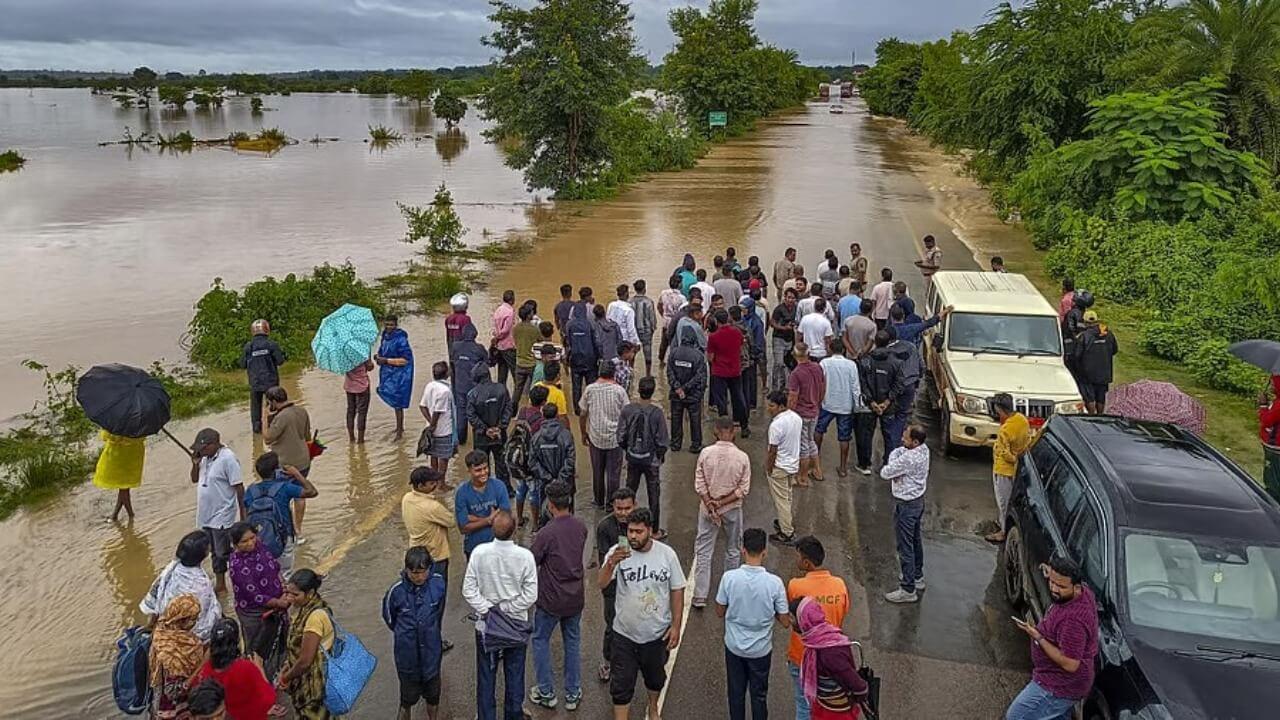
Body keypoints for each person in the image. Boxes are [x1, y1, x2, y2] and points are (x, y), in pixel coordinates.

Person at [599, 507, 685, 720]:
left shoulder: (667, 555)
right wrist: (611, 563)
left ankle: (653, 708)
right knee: (621, 685)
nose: (633, 536)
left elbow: (677, 589)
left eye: (639, 531)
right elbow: (601, 583)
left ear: (650, 531)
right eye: (630, 531)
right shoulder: (618, 552)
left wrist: (676, 625)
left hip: (656, 635)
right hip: (624, 635)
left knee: (655, 679)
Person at [461, 511, 537, 720]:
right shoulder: (525, 557)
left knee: (486, 675)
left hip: (486, 626)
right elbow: (530, 595)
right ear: (514, 531)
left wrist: (488, 610)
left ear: (492, 529)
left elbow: (468, 590)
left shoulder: (479, 553)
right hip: (516, 626)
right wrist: (506, 609)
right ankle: (513, 715)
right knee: (515, 674)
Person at [1005, 555, 1099, 720]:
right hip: (1066, 683)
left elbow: (1070, 664)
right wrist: (1050, 572)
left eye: (1061, 586)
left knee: (1016, 716)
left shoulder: (1073, 621)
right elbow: (1060, 579)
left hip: (1059, 685)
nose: (1054, 589)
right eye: (1052, 582)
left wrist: (1038, 637)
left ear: (1076, 588)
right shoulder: (1083, 591)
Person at [716, 528, 790, 720]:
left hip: (734, 647)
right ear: (764, 552)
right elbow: (785, 621)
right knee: (759, 696)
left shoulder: (729, 578)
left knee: (735, 694)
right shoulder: (775, 583)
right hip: (761, 651)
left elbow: (719, 611)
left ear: (743, 550)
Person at [528, 483, 588, 710]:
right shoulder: (581, 527)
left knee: (540, 640)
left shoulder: (546, 533)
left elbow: (533, 559)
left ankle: (546, 691)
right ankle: (572, 693)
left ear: (550, 505)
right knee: (572, 641)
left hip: (551, 599)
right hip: (575, 597)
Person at [785, 537, 851, 720]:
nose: (796, 560)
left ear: (807, 562)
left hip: (801, 656)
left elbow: (790, 616)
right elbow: (843, 612)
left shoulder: (795, 586)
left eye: (798, 556)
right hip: (831, 657)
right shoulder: (839, 585)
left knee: (803, 705)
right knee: (827, 705)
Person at [382, 546, 447, 720]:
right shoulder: (395, 592)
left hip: (431, 655)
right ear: (406, 570)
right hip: (407, 657)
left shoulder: (438, 584)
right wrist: (406, 632)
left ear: (429, 568)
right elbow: (389, 618)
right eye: (413, 573)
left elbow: (438, 611)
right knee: (407, 699)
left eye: (422, 572)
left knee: (433, 696)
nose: (418, 577)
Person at [693, 417, 752, 606]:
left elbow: (700, 483)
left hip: (707, 509)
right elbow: (743, 489)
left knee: (703, 550)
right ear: (733, 432)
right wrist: (722, 503)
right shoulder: (742, 457)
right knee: (733, 550)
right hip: (731, 509)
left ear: (716, 431)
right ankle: (728, 593)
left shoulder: (706, 453)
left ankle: (700, 595)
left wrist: (710, 503)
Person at [402, 466, 455, 651]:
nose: (435, 485)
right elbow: (451, 521)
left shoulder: (407, 499)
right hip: (435, 558)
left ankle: (421, 638)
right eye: (431, 483)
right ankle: (434, 641)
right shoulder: (431, 506)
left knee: (418, 603)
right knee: (436, 603)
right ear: (421, 485)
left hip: (415, 556)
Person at [794, 596, 869, 719]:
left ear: (804, 621)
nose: (791, 623)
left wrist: (861, 692)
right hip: (826, 705)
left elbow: (853, 680)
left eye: (793, 619)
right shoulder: (821, 638)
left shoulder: (828, 652)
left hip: (835, 712)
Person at [189, 428, 244, 593]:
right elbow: (194, 479)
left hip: (222, 514)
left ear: (214, 444)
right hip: (205, 514)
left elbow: (239, 487)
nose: (200, 451)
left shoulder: (228, 459)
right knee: (213, 551)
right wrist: (195, 464)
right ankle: (221, 584)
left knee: (222, 552)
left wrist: (243, 514)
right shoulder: (204, 459)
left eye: (203, 448)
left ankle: (241, 577)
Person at [142, 532, 223, 642]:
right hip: (190, 635)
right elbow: (204, 615)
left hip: (168, 625)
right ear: (203, 553)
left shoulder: (172, 568)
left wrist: (151, 624)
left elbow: (157, 592)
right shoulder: (200, 584)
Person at [243, 451, 316, 572]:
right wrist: (296, 474)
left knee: (263, 572)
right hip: (283, 537)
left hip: (258, 540)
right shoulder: (285, 488)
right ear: (276, 470)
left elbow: (246, 517)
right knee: (285, 573)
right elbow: (312, 492)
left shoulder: (251, 490)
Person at [881, 424, 930, 604]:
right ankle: (917, 576)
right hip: (918, 501)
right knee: (915, 540)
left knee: (905, 546)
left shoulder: (908, 458)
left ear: (915, 442)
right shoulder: (924, 450)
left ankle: (908, 589)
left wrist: (894, 464)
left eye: (906, 437)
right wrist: (896, 460)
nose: (902, 438)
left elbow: (885, 472)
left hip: (906, 505)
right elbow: (898, 452)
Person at [227, 521, 289, 664]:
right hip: (255, 613)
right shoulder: (237, 565)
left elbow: (275, 567)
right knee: (258, 649)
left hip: (278, 602)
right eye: (244, 541)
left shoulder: (260, 547)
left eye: (252, 537)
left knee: (281, 641)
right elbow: (255, 596)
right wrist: (279, 603)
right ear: (235, 545)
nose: (250, 543)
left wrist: (284, 588)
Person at [193, 618, 278, 720]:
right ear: (236, 642)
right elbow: (269, 698)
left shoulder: (205, 670)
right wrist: (260, 668)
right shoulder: (245, 668)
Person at [277, 569, 334, 719]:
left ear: (310, 593)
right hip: (310, 681)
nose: (290, 598)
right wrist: (287, 666)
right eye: (288, 593)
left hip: (314, 687)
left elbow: (305, 661)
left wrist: (285, 678)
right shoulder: (304, 609)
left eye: (295, 595)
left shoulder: (315, 617)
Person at [618, 376, 669, 538]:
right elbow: (663, 440)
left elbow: (620, 436)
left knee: (629, 492)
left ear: (638, 390)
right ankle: (654, 530)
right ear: (652, 392)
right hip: (651, 460)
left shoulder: (628, 410)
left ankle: (625, 527)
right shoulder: (657, 413)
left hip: (633, 458)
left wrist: (628, 450)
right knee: (654, 494)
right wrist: (659, 456)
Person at [261, 386, 312, 538]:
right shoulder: (302, 411)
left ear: (273, 402)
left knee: (282, 497)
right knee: (300, 495)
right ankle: (298, 530)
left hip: (285, 464)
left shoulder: (282, 417)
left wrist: (264, 419)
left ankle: (287, 530)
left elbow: (268, 438)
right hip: (303, 460)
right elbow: (307, 436)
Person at [149, 593, 206, 719]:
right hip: (172, 709)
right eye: (193, 619)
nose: (195, 623)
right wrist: (200, 668)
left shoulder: (161, 631)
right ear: (181, 619)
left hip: (160, 702)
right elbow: (172, 692)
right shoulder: (172, 653)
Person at [581, 361, 629, 507]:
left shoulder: (590, 390)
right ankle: (611, 504)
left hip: (596, 438)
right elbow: (627, 415)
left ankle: (598, 501)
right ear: (613, 374)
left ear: (599, 372)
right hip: (615, 439)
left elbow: (583, 414)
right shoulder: (620, 391)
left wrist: (583, 433)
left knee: (597, 472)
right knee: (614, 474)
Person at [868, 329, 920, 459]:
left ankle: (869, 461)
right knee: (899, 418)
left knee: (870, 431)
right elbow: (920, 366)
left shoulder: (873, 358)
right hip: (905, 388)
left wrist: (876, 402)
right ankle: (891, 455)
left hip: (880, 398)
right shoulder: (909, 348)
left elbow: (865, 383)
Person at [986, 394, 1031, 544]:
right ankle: (1004, 522)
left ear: (1000, 409)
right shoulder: (1022, 420)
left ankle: (1003, 531)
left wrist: (1012, 458)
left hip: (1003, 470)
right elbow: (1027, 442)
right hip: (1017, 469)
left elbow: (1003, 452)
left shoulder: (1005, 429)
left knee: (1003, 501)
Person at [455, 450, 513, 559]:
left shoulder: (499, 486)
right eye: (478, 470)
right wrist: (489, 520)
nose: (483, 473)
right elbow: (463, 528)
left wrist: (474, 519)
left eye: (485, 468)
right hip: (474, 549)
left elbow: (506, 521)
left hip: (498, 547)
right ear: (469, 470)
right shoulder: (462, 493)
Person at [467, 363, 513, 494]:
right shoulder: (502, 389)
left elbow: (471, 415)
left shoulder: (472, 394)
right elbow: (508, 409)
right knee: (502, 463)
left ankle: (484, 490)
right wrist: (500, 427)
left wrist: (485, 430)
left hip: (481, 437)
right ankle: (506, 490)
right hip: (499, 435)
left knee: (481, 465)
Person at [814, 344, 860, 478]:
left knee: (819, 430)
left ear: (830, 349)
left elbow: (819, 383)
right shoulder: (851, 365)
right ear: (844, 350)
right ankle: (843, 467)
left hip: (827, 403)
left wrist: (817, 400)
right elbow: (855, 386)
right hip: (845, 405)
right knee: (844, 437)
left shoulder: (824, 363)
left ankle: (815, 463)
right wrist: (857, 406)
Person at [528, 402, 575, 523]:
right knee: (567, 517)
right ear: (557, 415)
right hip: (565, 483)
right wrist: (560, 479)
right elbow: (570, 460)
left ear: (543, 416)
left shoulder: (536, 437)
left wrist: (548, 478)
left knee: (547, 516)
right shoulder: (566, 435)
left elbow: (532, 462)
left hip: (545, 485)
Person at [766, 390, 802, 546]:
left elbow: (772, 451)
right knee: (787, 496)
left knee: (781, 501)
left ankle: (786, 532)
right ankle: (785, 520)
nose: (769, 408)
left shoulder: (776, 425)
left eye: (772, 406)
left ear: (781, 406)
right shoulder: (796, 418)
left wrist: (769, 468)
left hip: (779, 466)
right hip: (792, 465)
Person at [707, 309, 750, 436]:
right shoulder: (737, 332)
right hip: (735, 370)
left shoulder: (713, 337)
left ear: (716, 321)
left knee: (721, 401)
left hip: (719, 372)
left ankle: (724, 428)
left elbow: (710, 357)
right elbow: (741, 346)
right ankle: (744, 425)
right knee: (738, 397)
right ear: (728, 319)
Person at [788, 342, 826, 484]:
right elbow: (823, 387)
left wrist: (789, 413)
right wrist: (818, 402)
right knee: (811, 441)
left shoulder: (796, 373)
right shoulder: (817, 368)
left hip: (801, 413)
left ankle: (802, 476)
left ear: (794, 356)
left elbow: (793, 396)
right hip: (814, 411)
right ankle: (817, 470)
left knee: (803, 445)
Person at [667, 324, 708, 453]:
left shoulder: (673, 353)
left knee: (676, 419)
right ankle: (696, 445)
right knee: (695, 420)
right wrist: (686, 389)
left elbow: (670, 373)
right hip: (693, 394)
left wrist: (678, 388)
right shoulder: (698, 356)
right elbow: (700, 377)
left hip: (676, 394)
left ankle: (675, 444)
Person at [242, 319, 286, 435]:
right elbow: (280, 361)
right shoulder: (271, 345)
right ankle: (272, 431)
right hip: (271, 383)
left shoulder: (248, 347)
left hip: (255, 383)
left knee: (255, 408)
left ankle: (257, 433)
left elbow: (242, 364)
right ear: (267, 330)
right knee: (272, 407)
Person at [376, 315, 415, 437]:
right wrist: (378, 357)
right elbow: (382, 352)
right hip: (388, 372)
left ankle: (399, 432)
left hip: (400, 374)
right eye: (387, 325)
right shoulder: (384, 337)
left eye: (391, 325)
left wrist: (386, 361)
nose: (389, 327)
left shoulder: (401, 340)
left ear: (396, 325)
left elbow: (405, 360)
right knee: (391, 398)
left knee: (398, 402)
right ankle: (399, 428)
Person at [1074, 310, 1118, 414]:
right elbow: (1115, 350)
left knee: (1089, 397)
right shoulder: (1108, 334)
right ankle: (1100, 415)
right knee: (1101, 397)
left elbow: (1077, 355)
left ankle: (1091, 415)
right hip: (1104, 373)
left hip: (1087, 374)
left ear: (1085, 322)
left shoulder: (1084, 336)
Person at [94, 430, 144, 522]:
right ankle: (115, 515)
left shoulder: (116, 426)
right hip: (134, 455)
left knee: (124, 489)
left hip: (118, 457)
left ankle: (129, 515)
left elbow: (105, 436)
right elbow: (142, 437)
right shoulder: (138, 426)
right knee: (124, 489)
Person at [450, 323, 487, 446]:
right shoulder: (479, 349)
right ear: (475, 335)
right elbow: (487, 364)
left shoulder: (455, 347)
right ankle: (478, 442)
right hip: (475, 388)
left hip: (459, 386)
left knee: (461, 413)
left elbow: (452, 365)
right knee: (477, 413)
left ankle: (461, 441)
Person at [419, 361, 456, 475]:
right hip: (444, 430)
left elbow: (422, 406)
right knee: (444, 458)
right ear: (447, 374)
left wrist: (430, 424)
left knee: (433, 455)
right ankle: (441, 481)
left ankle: (434, 479)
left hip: (431, 430)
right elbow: (437, 411)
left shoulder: (430, 385)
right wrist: (433, 424)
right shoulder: (445, 391)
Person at [565, 301, 601, 414]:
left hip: (575, 360)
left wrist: (567, 358)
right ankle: (592, 408)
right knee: (591, 386)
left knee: (576, 387)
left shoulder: (569, 325)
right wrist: (599, 356)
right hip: (590, 360)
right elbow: (596, 342)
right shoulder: (590, 324)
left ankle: (577, 410)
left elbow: (567, 343)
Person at [769, 288, 799, 391]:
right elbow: (772, 323)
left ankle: (784, 386)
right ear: (785, 297)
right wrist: (783, 328)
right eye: (789, 297)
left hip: (790, 339)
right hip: (779, 338)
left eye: (793, 298)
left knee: (788, 364)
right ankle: (775, 388)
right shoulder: (779, 309)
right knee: (778, 363)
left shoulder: (796, 309)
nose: (790, 300)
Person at [513, 302, 541, 407]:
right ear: (529, 315)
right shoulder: (534, 329)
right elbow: (540, 341)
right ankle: (530, 409)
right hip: (532, 363)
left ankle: (513, 411)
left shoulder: (516, 328)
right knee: (533, 389)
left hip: (519, 363)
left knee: (517, 389)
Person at [629, 279, 658, 376]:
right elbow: (652, 318)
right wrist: (653, 328)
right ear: (644, 289)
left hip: (634, 331)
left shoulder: (630, 302)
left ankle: (631, 373)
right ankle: (648, 374)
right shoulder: (649, 302)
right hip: (646, 331)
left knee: (632, 353)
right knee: (648, 353)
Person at [533, 363, 571, 436]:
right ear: (557, 376)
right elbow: (562, 417)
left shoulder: (536, 386)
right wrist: (568, 433)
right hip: (552, 429)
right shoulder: (558, 394)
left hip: (537, 427)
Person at [1258, 375, 1280, 501]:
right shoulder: (1277, 401)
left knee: (1272, 476)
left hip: (1275, 448)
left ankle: (1273, 499)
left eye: (1273, 383)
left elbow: (1267, 421)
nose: (1271, 386)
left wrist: (1263, 405)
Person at [491, 290, 518, 390]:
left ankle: (501, 394)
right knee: (515, 373)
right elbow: (506, 330)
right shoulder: (510, 312)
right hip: (508, 346)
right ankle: (518, 395)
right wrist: (498, 337)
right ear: (512, 300)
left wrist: (496, 338)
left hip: (499, 346)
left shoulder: (498, 310)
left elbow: (495, 328)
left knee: (502, 373)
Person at [344, 357, 374, 444]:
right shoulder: (362, 353)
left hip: (349, 386)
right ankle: (360, 440)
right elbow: (370, 367)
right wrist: (369, 360)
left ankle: (351, 438)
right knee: (362, 413)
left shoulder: (343, 354)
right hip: (362, 385)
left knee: (350, 411)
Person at [656, 275, 686, 362]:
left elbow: (659, 306)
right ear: (679, 284)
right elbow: (683, 312)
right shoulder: (682, 298)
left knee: (663, 344)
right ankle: (673, 361)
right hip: (677, 324)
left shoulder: (663, 293)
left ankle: (661, 361)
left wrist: (663, 315)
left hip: (666, 321)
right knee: (675, 343)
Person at [798, 297, 834, 362]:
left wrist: (798, 348)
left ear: (814, 307)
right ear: (824, 308)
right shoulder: (826, 322)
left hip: (808, 352)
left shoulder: (805, 319)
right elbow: (828, 340)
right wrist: (830, 353)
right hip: (822, 353)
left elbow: (799, 334)